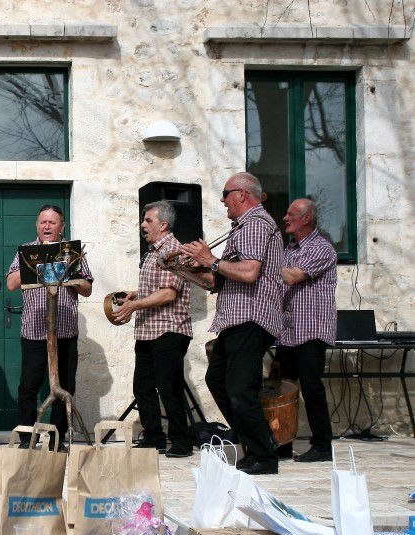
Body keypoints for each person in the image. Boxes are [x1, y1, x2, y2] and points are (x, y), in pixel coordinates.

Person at [180, 172, 283, 475]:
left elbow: (249, 272)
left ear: (242, 194)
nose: (222, 200)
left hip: (252, 317)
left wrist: (209, 258)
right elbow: (216, 280)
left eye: (225, 194)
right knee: (218, 380)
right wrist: (182, 269)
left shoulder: (254, 224)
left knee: (240, 389)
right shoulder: (242, 228)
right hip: (236, 318)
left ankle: (263, 456)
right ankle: (257, 438)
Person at [110, 201, 194, 458]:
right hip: (148, 330)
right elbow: (156, 288)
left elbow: (169, 293)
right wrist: (133, 295)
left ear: (163, 225)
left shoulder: (173, 250)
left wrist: (134, 305)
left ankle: (181, 441)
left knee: (169, 388)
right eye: (144, 220)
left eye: (148, 221)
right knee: (142, 387)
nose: (143, 225)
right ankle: (154, 437)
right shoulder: (153, 251)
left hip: (169, 329)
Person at [6, 204, 93, 449]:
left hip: (65, 332)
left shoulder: (72, 252)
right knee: (28, 386)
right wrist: (39, 265)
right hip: (34, 331)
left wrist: (70, 274)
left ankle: (57, 439)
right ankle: (26, 438)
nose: (47, 226)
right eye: (43, 222)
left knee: (65, 386)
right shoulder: (26, 251)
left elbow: (88, 289)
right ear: (37, 225)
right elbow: (11, 283)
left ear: (61, 226)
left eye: (52, 222)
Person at [276, 198, 337, 463]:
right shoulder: (289, 249)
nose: (285, 217)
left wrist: (261, 261)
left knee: (311, 388)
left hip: (310, 329)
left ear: (307, 219)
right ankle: (280, 443)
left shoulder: (321, 248)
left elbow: (291, 277)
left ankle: (322, 446)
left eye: (291, 214)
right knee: (280, 388)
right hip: (287, 331)